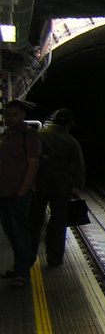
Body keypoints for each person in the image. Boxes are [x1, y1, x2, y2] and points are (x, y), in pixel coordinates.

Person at [30, 108, 85, 268]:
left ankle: (29, 256)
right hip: (62, 187)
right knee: (58, 223)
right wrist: (77, 186)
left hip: (38, 184)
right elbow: (79, 167)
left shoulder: (38, 135)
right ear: (68, 125)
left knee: (34, 221)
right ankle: (54, 258)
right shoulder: (71, 142)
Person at [0, 100, 41, 288]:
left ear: (23, 115)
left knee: (20, 232)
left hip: (19, 192)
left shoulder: (29, 136)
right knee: (10, 230)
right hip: (4, 191)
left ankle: (22, 272)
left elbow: (33, 164)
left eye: (14, 114)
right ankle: (19, 267)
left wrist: (22, 191)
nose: (9, 118)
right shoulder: (6, 135)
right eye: (7, 114)